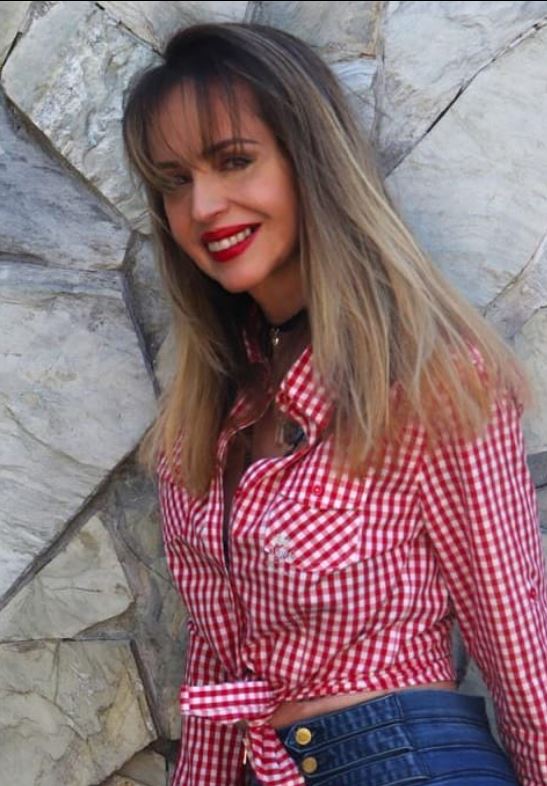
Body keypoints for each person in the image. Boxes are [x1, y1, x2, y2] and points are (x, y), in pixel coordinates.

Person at [122, 22, 547, 786]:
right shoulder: (208, 416)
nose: (203, 205)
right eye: (175, 181)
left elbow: (513, 635)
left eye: (234, 160)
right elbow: (220, 669)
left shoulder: (428, 378)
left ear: (309, 159)